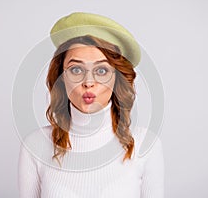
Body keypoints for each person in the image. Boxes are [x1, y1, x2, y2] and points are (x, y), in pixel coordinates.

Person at [18, 12, 164, 198]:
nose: (88, 82)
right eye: (76, 69)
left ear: (117, 78)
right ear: (61, 78)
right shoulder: (35, 145)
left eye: (101, 70)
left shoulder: (146, 144)